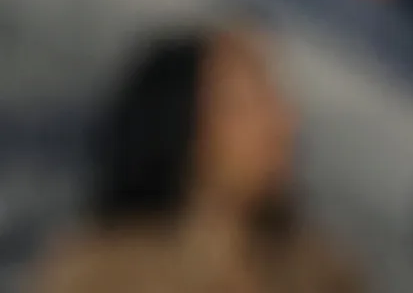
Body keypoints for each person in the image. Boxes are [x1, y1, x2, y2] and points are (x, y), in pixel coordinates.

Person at [30, 23, 362, 293]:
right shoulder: (102, 273)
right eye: (248, 106)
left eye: (275, 101)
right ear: (188, 128)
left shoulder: (319, 271)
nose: (284, 123)